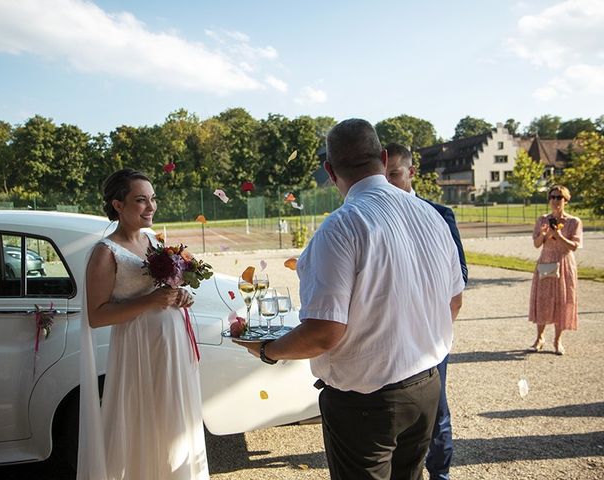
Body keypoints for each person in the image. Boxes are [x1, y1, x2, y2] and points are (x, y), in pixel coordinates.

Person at [235, 119, 464, 480]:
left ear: (329, 170)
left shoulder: (341, 227)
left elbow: (324, 332)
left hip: (367, 404)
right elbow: (453, 302)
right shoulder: (431, 217)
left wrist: (268, 350)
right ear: (383, 157)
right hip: (426, 387)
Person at [78, 168, 209, 480]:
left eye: (152, 199)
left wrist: (180, 295)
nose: (151, 207)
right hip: (140, 349)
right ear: (118, 205)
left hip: (172, 345)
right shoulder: (105, 252)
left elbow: (160, 289)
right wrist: (150, 302)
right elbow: (97, 316)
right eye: (141, 200)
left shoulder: (152, 240)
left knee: (173, 420)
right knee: (145, 421)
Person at [385, 142, 467, 480]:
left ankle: (440, 474)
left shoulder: (440, 214)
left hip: (429, 335)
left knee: (436, 411)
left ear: (411, 173)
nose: (388, 183)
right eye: (383, 175)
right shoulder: (375, 215)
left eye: (395, 175)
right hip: (390, 333)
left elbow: (458, 279)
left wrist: (434, 330)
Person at [528, 185, 582, 356]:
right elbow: (537, 244)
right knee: (543, 298)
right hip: (546, 260)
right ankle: (540, 337)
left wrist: (559, 236)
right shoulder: (543, 220)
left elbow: (574, 246)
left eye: (559, 197)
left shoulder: (573, 222)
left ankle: (558, 340)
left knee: (562, 299)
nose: (555, 200)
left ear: (566, 200)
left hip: (564, 261)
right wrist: (544, 235)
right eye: (552, 197)